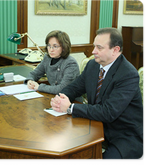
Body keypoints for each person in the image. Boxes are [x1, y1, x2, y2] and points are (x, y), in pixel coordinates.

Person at [50, 27, 144, 160]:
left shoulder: (128, 74)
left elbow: (108, 112)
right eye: (94, 46)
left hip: (124, 135)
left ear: (115, 50)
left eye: (99, 48)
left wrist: (71, 107)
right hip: (95, 126)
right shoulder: (92, 65)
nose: (93, 51)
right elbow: (75, 87)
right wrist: (60, 98)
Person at [24, 30, 80, 94]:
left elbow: (62, 89)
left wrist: (39, 87)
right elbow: (34, 74)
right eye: (49, 45)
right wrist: (30, 81)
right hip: (53, 97)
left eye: (55, 46)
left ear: (64, 47)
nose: (51, 50)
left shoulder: (71, 63)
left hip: (71, 100)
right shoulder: (47, 58)